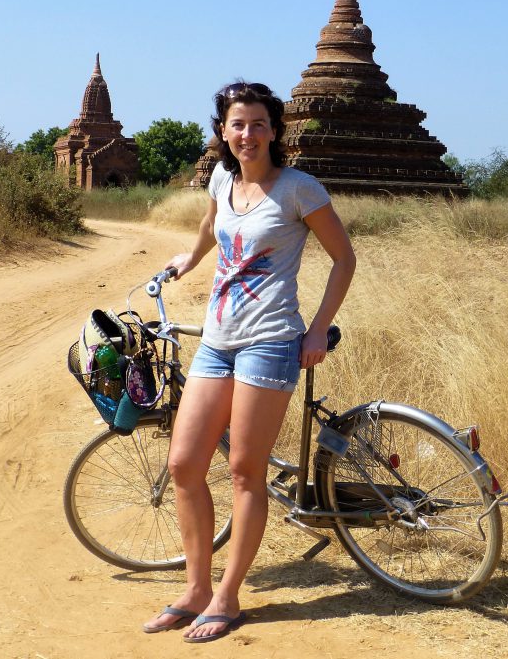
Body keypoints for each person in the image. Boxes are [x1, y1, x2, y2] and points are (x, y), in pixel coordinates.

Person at [143, 81, 356, 643]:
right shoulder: (220, 177)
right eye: (238, 125)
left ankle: (227, 596)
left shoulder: (298, 190)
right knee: (185, 464)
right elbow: (212, 226)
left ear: (274, 131)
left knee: (244, 471)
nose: (247, 135)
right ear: (223, 131)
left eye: (258, 124)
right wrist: (188, 260)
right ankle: (194, 589)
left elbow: (343, 259)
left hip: (270, 341)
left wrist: (314, 330)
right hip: (218, 339)